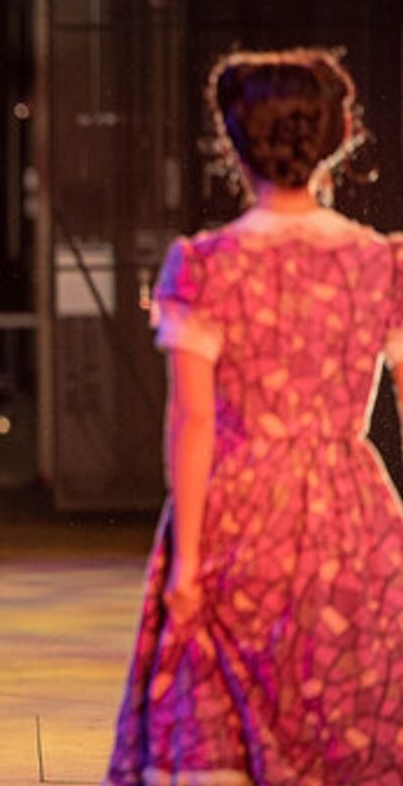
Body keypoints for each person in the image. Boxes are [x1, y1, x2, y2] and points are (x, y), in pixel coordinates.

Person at [105, 49, 403, 782]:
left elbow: (195, 422)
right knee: (346, 726)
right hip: (352, 519)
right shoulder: (380, 264)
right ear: (335, 134)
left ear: (235, 145)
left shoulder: (207, 265)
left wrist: (187, 560)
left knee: (225, 737)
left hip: (241, 517)